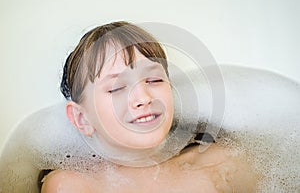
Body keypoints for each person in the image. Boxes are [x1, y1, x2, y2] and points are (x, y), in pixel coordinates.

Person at [41, 21, 258, 193]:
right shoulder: (72, 185)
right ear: (82, 119)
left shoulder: (222, 162)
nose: (143, 98)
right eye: (117, 88)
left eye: (154, 80)